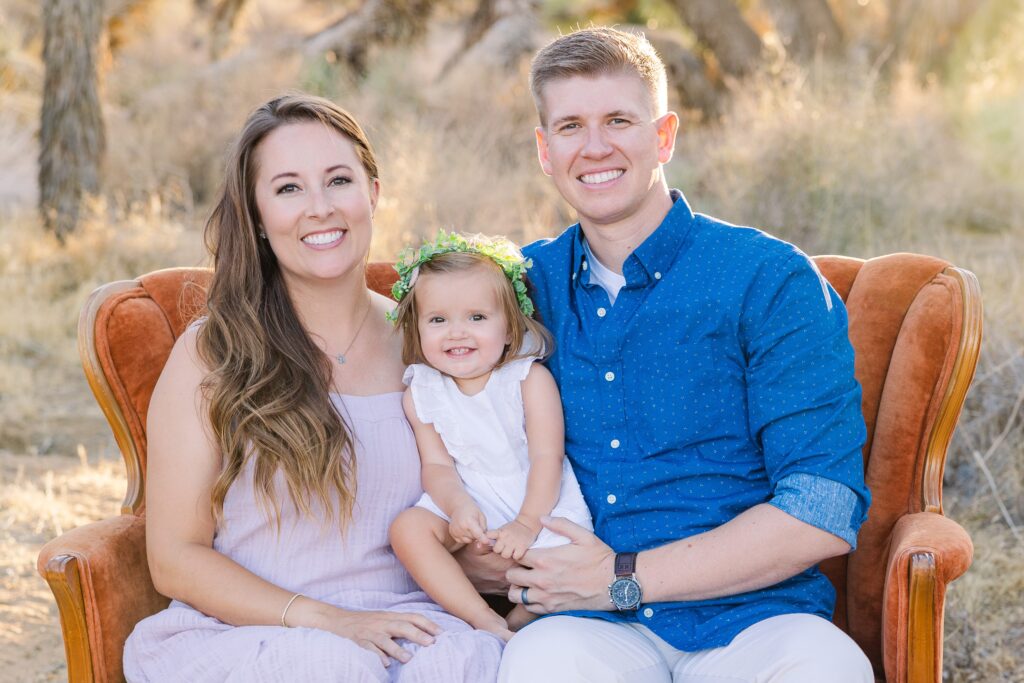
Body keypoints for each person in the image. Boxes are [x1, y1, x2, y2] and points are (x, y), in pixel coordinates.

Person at [465, 27, 876, 682]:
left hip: (756, 621)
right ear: (545, 150)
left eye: (619, 120)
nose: (595, 146)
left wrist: (623, 578)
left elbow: (821, 508)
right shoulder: (516, 288)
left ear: (664, 135)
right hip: (582, 628)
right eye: (570, 126)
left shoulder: (768, 279)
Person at [121, 94, 502, 682]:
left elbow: (478, 491)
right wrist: (329, 622)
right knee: (329, 667)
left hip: (412, 628)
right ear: (256, 215)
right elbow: (175, 558)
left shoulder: (431, 346)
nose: (320, 208)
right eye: (289, 189)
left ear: (373, 193)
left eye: (339, 180)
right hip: (254, 633)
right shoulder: (213, 352)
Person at [387, 232, 594, 642]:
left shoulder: (526, 379)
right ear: (418, 327)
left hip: (536, 496)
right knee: (408, 529)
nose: (457, 333)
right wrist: (457, 505)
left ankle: (516, 624)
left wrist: (525, 524)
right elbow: (437, 465)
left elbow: (547, 458)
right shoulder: (422, 391)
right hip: (473, 495)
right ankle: (481, 618)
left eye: (477, 317)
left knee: (566, 565)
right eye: (438, 320)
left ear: (509, 327)